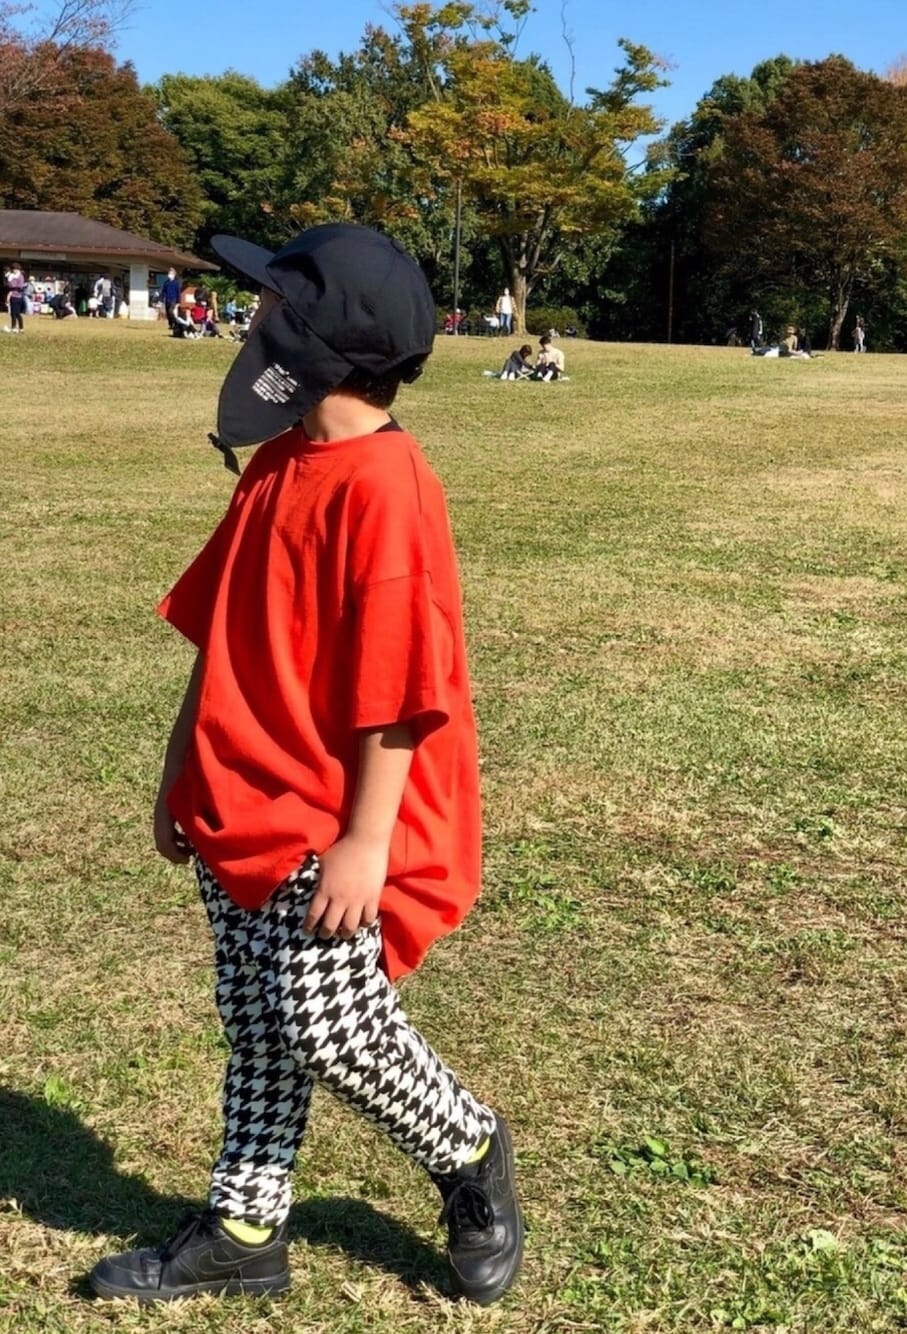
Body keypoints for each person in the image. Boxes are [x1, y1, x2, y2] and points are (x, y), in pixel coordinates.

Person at [88, 223, 524, 1309]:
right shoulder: (279, 464)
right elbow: (221, 628)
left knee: (329, 1024)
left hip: (323, 816)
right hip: (233, 791)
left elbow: (398, 684)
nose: (256, 317)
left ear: (323, 337)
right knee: (259, 1022)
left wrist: (366, 840)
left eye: (275, 304)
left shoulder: (386, 485)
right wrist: (179, 765)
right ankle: (247, 1226)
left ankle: (470, 1147)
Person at [4, 263, 26, 332]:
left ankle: (21, 328)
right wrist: (9, 279)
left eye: (15, 269)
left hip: (18, 296)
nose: (14, 270)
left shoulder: (20, 276)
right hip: (12, 295)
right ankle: (13, 327)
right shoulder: (12, 276)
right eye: (13, 269)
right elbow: (9, 285)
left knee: (17, 313)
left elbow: (18, 286)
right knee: (12, 313)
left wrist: (11, 282)